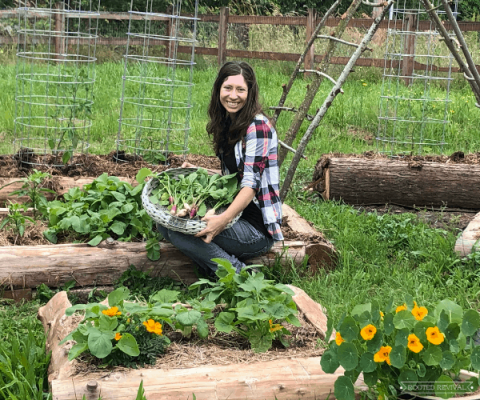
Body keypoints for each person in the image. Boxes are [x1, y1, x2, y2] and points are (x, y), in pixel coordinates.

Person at [156, 61, 283, 277]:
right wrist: (200, 172)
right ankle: (213, 267)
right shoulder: (228, 121)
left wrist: (220, 223)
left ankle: (236, 275)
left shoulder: (258, 127)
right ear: (218, 90)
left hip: (256, 229)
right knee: (164, 225)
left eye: (240, 89)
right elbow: (232, 179)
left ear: (250, 93)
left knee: (180, 232)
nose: (233, 96)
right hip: (237, 214)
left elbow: (250, 185)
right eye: (228, 88)